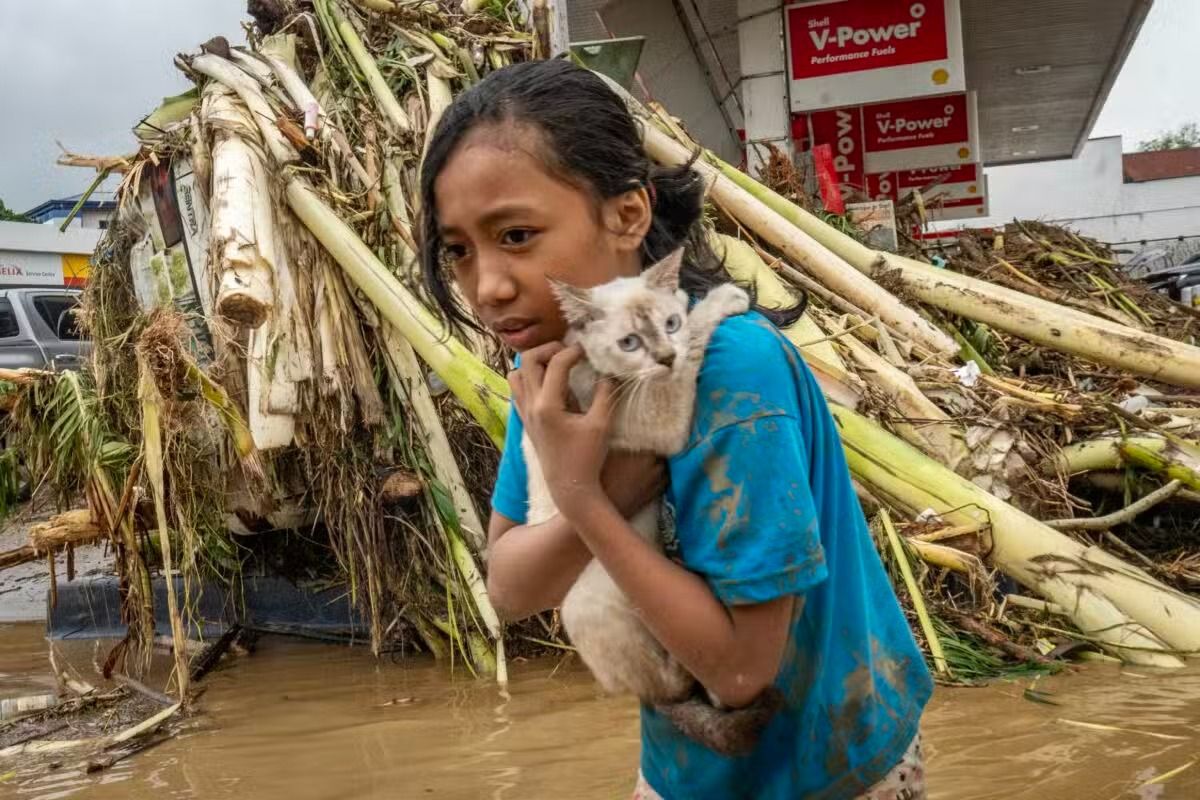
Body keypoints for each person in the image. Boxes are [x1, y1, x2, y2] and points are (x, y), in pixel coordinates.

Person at [418, 58, 932, 800]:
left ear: (627, 215)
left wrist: (584, 502)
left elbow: (739, 672)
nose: (488, 285)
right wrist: (588, 491)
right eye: (459, 250)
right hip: (685, 770)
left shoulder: (732, 373)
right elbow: (507, 585)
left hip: (835, 769)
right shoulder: (552, 367)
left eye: (518, 235)